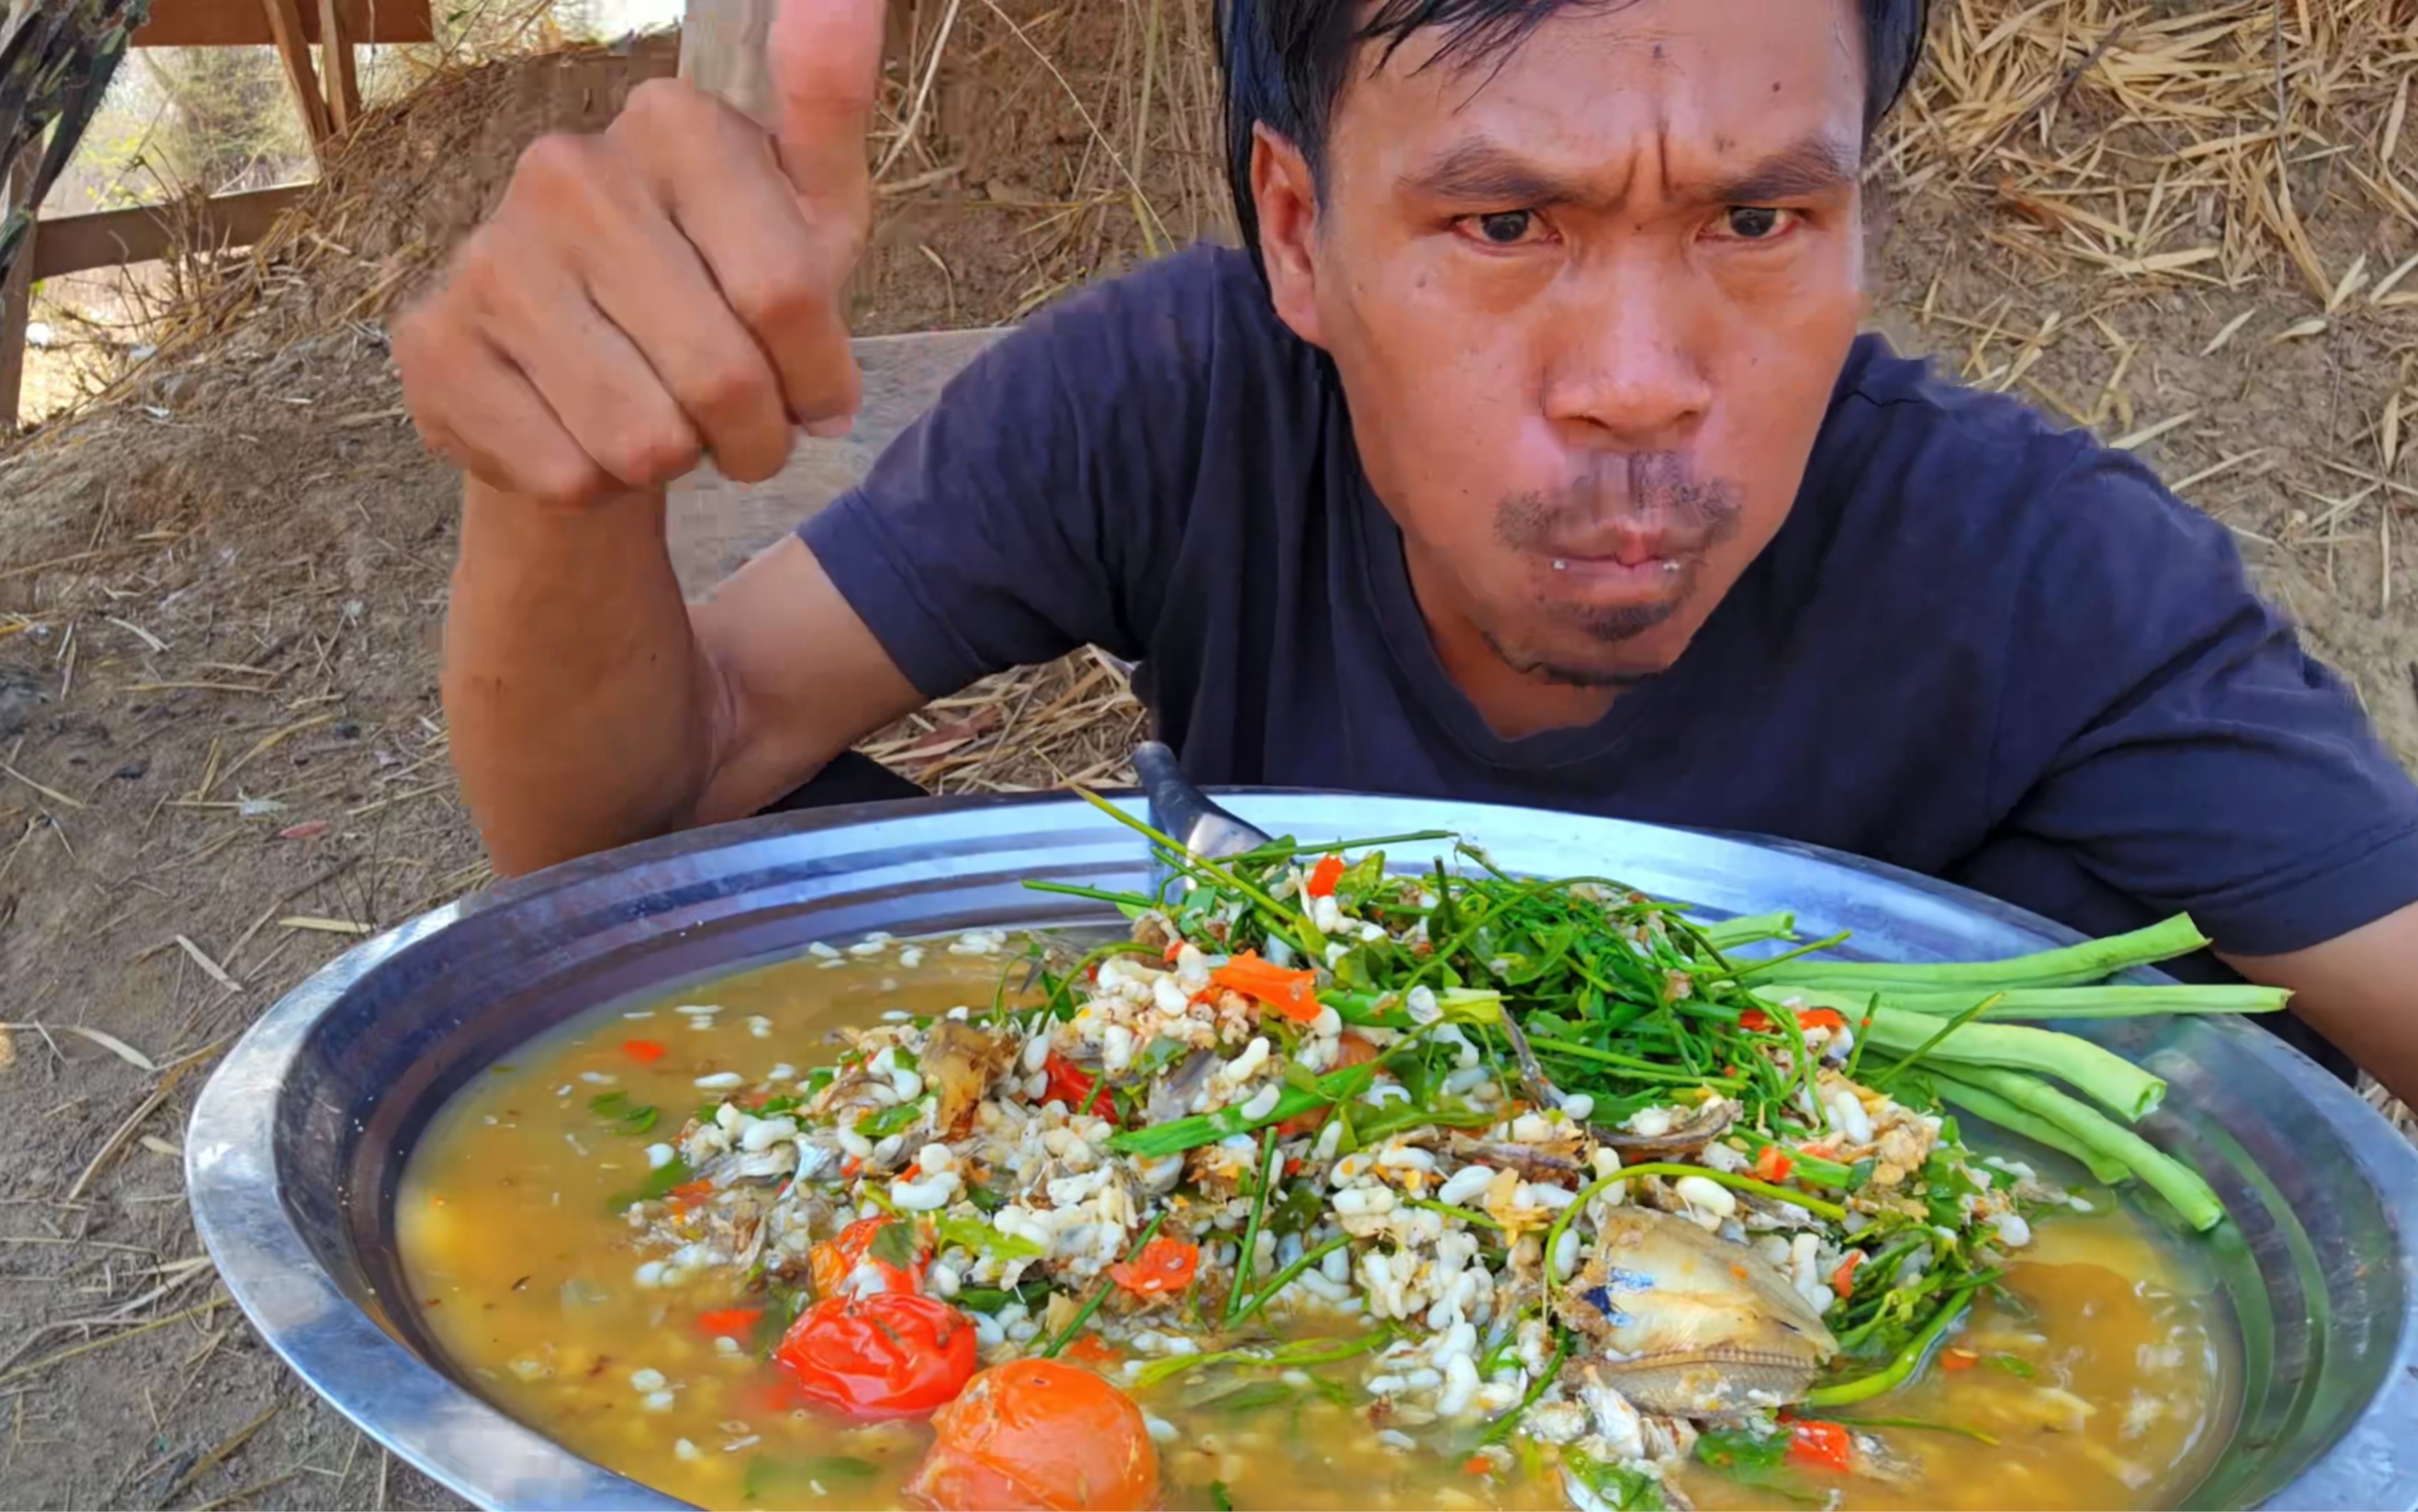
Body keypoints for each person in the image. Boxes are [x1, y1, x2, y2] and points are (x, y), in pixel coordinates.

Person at [391, 0, 2418, 1104]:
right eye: (1504, 227)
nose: (1640, 382)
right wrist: (561, 480)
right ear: (1297, 231)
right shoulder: (1177, 406)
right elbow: (632, 818)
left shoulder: (2047, 581)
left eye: (1756, 222)